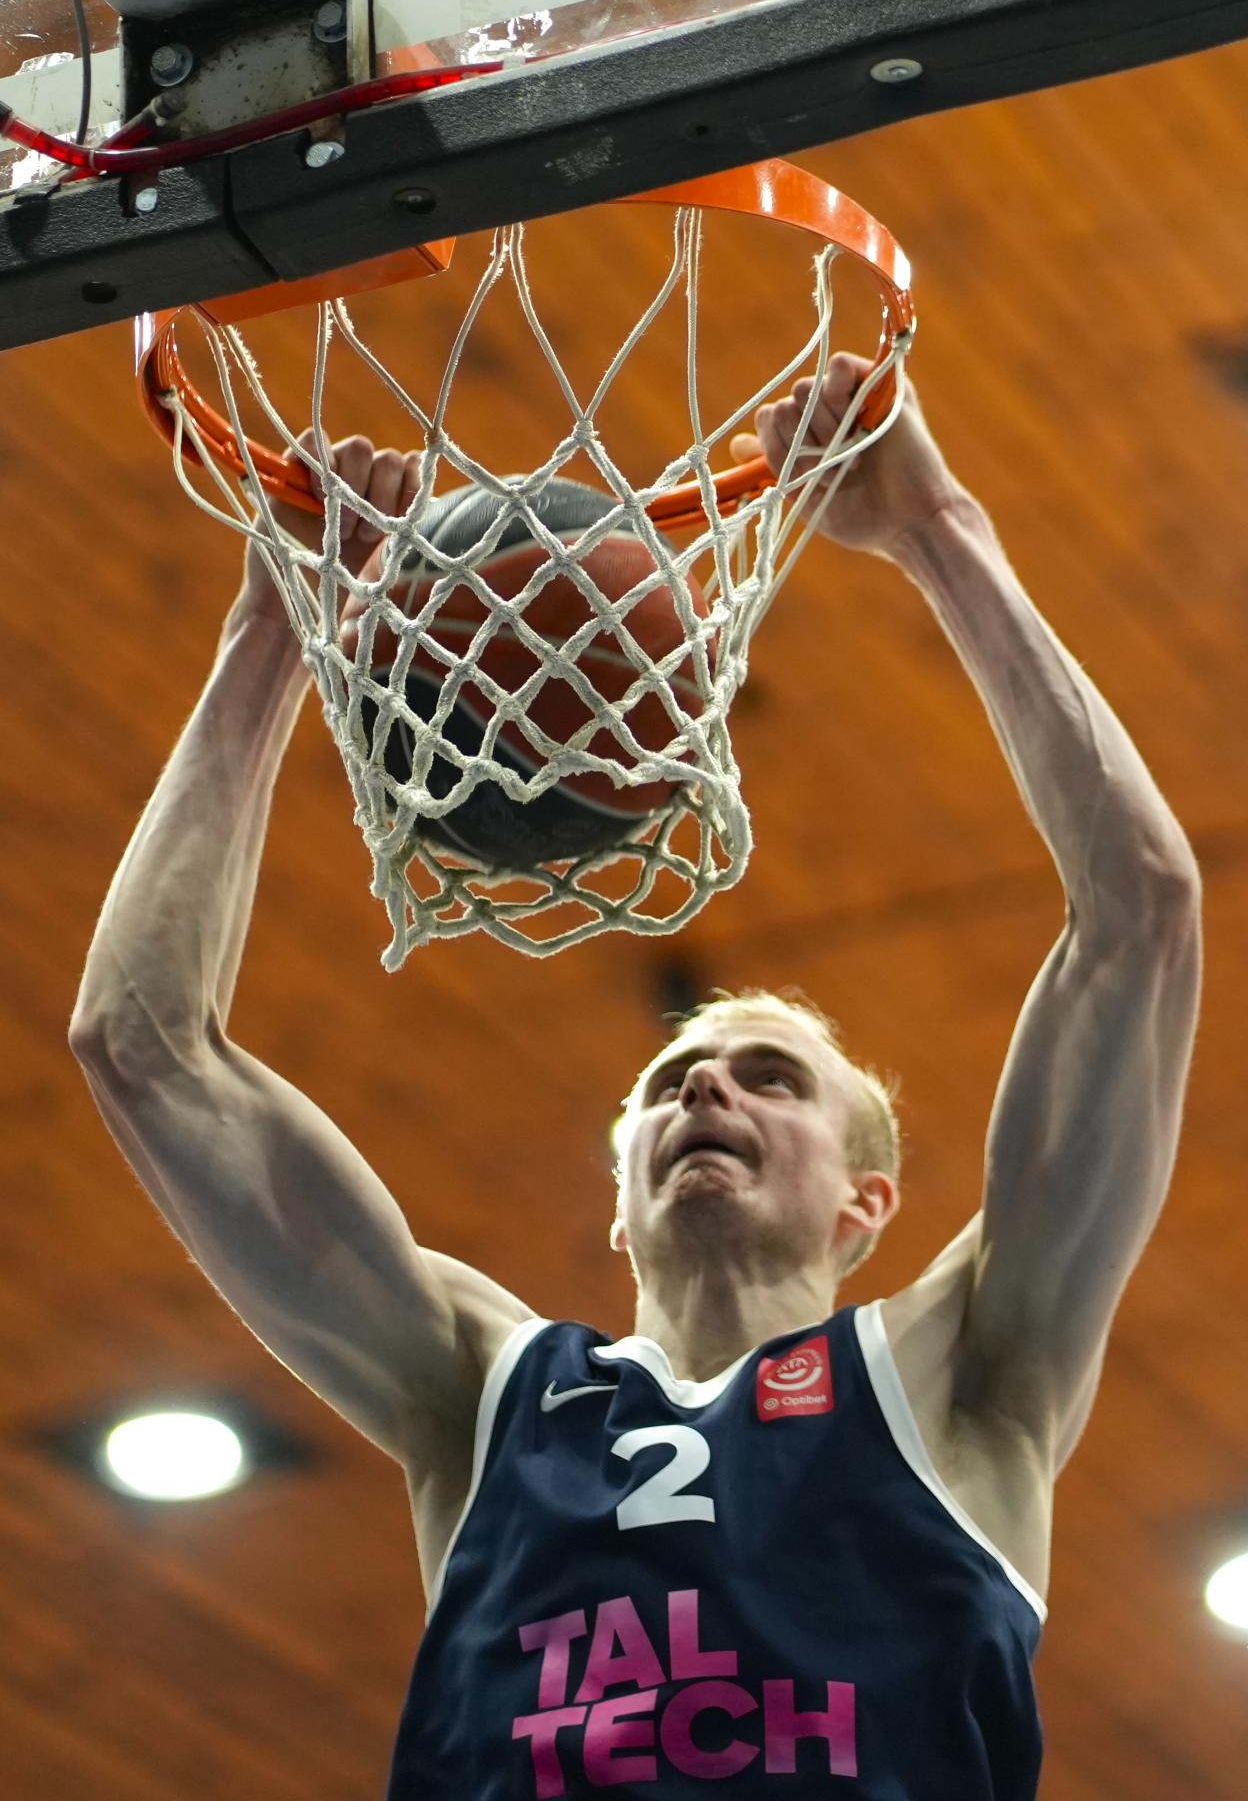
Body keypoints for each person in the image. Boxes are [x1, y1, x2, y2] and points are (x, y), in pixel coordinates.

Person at [69, 356, 1203, 1799]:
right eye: (672, 1082)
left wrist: (939, 531)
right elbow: (141, 1045)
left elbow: (1141, 909)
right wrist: (267, 633)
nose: (705, 1095)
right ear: (616, 1208)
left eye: (772, 1078)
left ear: (868, 1200)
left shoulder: (965, 1373)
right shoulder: (484, 1389)